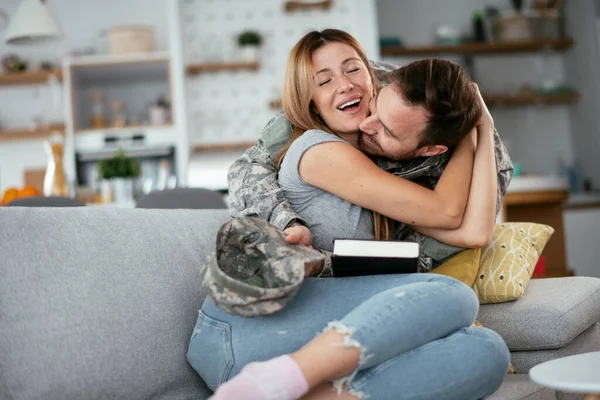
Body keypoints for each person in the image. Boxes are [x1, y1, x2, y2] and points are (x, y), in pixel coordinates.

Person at [187, 29, 510, 400]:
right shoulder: (318, 150)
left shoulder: (383, 183)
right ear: (310, 101)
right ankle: (281, 379)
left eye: (353, 69)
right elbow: (447, 211)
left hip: (293, 336)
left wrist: (478, 127)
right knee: (452, 296)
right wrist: (476, 123)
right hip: (245, 328)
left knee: (487, 350)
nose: (344, 85)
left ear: (373, 79)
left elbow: (474, 233)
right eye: (324, 80)